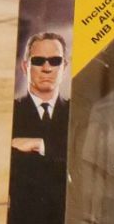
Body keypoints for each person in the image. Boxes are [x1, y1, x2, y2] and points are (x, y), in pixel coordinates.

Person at [11, 31, 70, 166]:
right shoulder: (9, 111)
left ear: (64, 67)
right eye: (38, 61)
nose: (47, 68)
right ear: (25, 67)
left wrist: (40, 144)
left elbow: (83, 154)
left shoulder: (78, 112)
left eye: (55, 61)